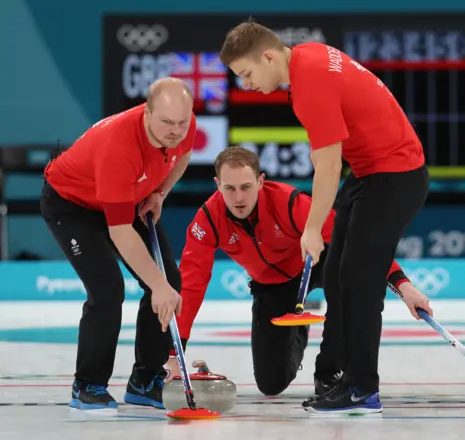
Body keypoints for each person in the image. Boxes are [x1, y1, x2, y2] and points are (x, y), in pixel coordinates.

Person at [219, 22, 430, 414]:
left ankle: (363, 388)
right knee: (336, 274)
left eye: (247, 74)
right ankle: (335, 375)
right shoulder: (311, 56)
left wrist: (312, 229)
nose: (247, 85)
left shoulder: (309, 84)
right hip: (370, 173)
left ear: (268, 57)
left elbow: (329, 165)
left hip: (394, 177)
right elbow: (328, 149)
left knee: (359, 284)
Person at [164, 146, 432, 399]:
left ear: (261, 181)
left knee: (348, 284)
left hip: (315, 263)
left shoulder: (290, 203)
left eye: (246, 187)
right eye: (229, 188)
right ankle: (299, 325)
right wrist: (176, 351)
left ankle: (329, 371)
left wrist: (402, 284)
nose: (238, 198)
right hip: (272, 284)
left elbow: (359, 245)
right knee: (271, 384)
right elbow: (191, 284)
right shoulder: (208, 219)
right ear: (217, 185)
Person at [39, 77, 196, 410]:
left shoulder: (183, 123)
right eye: (166, 122)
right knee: (109, 290)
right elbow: (120, 230)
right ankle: (88, 385)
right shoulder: (119, 145)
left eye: (182, 122)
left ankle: (144, 379)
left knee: (169, 279)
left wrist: (160, 192)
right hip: (73, 206)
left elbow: (182, 155)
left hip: (131, 198)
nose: (176, 130)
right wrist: (158, 286)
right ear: (146, 112)